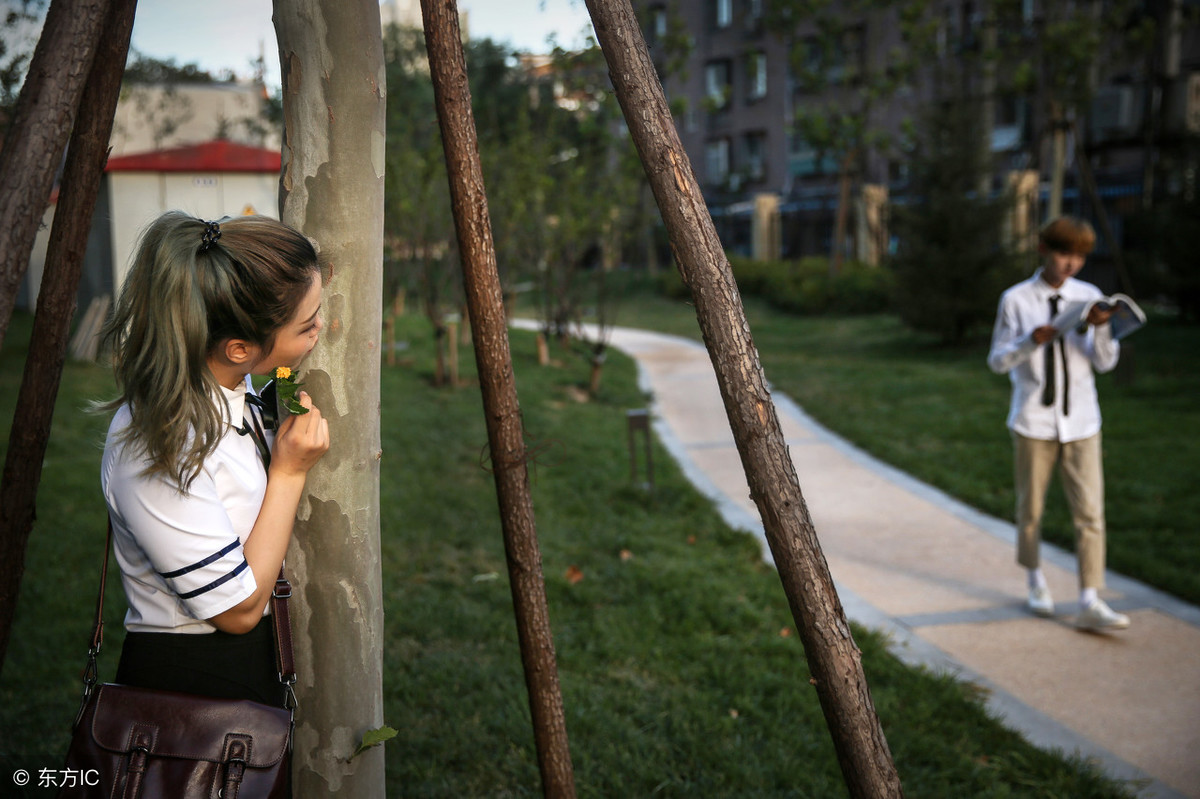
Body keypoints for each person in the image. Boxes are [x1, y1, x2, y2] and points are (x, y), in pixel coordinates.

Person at [98, 211, 330, 706]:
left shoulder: (226, 386)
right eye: (308, 325)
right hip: (195, 683)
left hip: (248, 666)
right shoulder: (156, 447)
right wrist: (288, 472)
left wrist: (279, 394)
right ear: (239, 347)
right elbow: (238, 611)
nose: (320, 331)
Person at [987, 215, 1130, 632]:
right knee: (1031, 508)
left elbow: (1103, 363)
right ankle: (1035, 580)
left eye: (1081, 256)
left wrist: (1103, 331)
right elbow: (997, 361)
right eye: (1065, 253)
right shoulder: (1016, 300)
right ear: (1044, 250)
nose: (1072, 264)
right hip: (1034, 421)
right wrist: (1032, 340)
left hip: (1083, 421)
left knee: (1090, 512)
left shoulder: (1089, 296)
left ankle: (1090, 598)